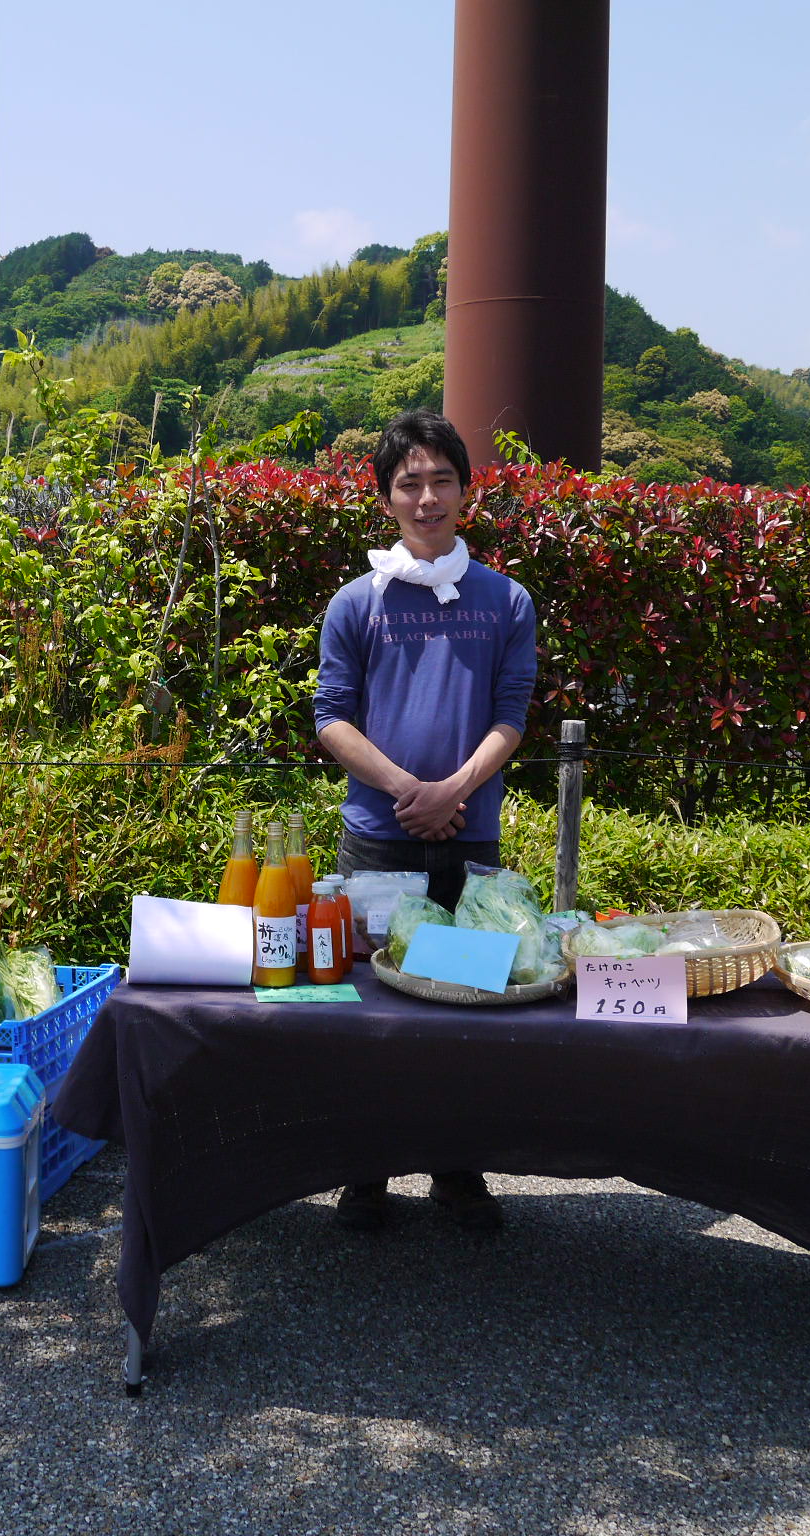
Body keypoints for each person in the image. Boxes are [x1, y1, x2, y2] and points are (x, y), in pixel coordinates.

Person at [312, 409, 537, 1233]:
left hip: (470, 836)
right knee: (371, 1011)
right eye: (410, 483)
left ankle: (457, 1169)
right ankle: (365, 1173)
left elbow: (511, 715)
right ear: (386, 499)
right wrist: (411, 789)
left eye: (443, 480)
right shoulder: (355, 604)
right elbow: (330, 717)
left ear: (467, 491)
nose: (427, 497)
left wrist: (456, 790)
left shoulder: (506, 600)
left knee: (467, 1005)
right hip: (378, 837)